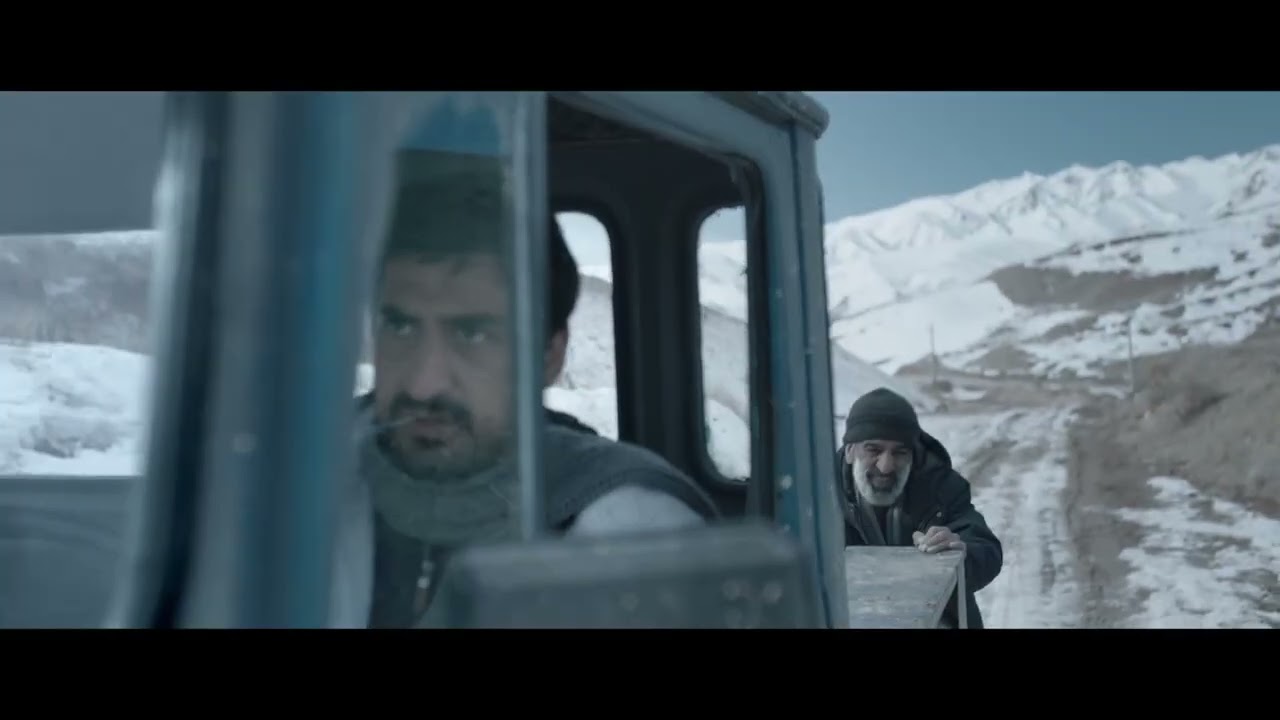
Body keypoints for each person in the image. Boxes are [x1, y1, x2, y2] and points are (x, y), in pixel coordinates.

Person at [330, 147, 719, 628]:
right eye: (401, 327)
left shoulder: (628, 537)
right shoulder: (302, 479)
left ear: (549, 356)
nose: (424, 383)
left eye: (473, 334)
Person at [838, 387, 1002, 628]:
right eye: (873, 450)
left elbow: (986, 550)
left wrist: (958, 553)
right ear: (850, 451)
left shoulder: (940, 487)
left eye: (899, 452)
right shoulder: (818, 497)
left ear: (912, 454)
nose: (885, 466)